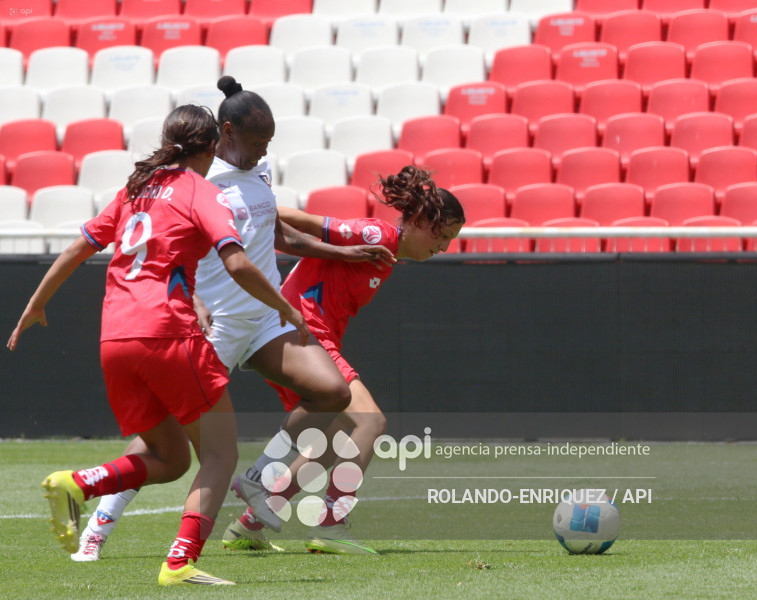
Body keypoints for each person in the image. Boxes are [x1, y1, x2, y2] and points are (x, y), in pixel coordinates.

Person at [67, 75, 395, 561]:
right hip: (213, 324)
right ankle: (98, 526)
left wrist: (345, 252)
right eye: (258, 143)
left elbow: (278, 234)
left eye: (268, 144)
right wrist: (191, 302)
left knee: (332, 391)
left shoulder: (257, 173)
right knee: (167, 440)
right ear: (227, 132)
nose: (264, 153)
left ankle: (260, 479)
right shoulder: (198, 180)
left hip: (262, 322)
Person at [75, 164, 464, 558]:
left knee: (335, 434)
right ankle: (327, 522)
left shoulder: (389, 251)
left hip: (282, 329)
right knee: (370, 421)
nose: (444, 247)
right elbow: (297, 220)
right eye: (442, 235)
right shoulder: (377, 235)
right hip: (288, 327)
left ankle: (252, 522)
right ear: (417, 220)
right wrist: (254, 213)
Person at [7, 104, 310, 586]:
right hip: (166, 333)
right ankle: (180, 562)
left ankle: (78, 484)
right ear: (212, 147)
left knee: (170, 458)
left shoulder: (135, 190)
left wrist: (35, 305)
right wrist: (287, 307)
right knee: (220, 456)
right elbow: (237, 263)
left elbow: (76, 248)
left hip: (114, 338)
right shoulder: (201, 190)